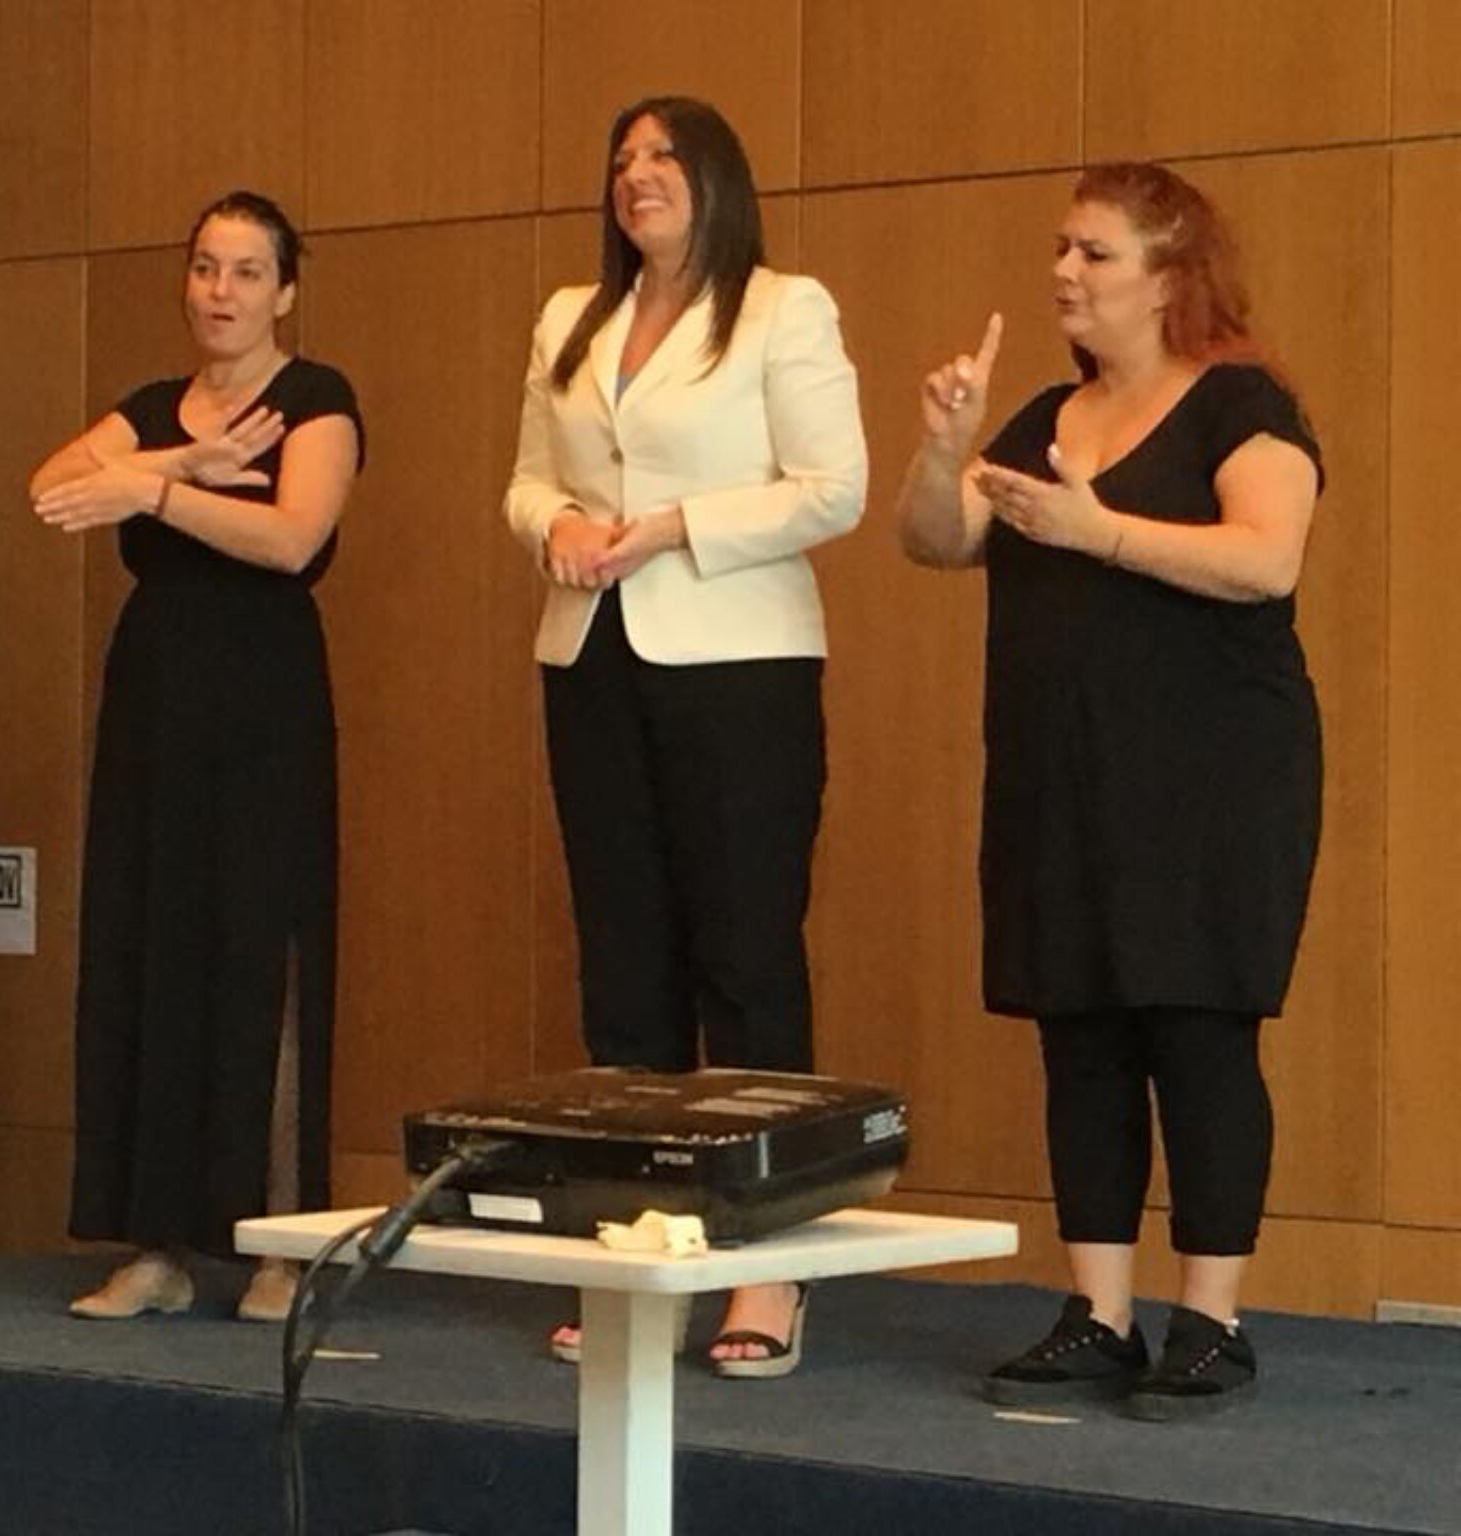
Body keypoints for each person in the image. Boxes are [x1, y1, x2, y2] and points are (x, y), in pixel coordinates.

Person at [895, 162, 1323, 1420]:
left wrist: (1100, 533)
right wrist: (942, 447)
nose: (1062, 273)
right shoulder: (1040, 418)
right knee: (1077, 1034)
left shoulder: (1241, 404)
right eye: (1059, 249)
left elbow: (1266, 559)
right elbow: (934, 539)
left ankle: (1211, 1320)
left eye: (1091, 253)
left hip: (1210, 781)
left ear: (1167, 274)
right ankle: (1099, 1314)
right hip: (1060, 775)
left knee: (1195, 1031)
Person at [504, 96, 867, 1378]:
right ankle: (638, 1251)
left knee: (745, 958)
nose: (635, 175)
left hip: (739, 666)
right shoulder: (570, 317)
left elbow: (833, 487)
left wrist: (670, 527)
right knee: (623, 963)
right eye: (620, 159)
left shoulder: (781, 308)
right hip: (590, 657)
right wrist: (552, 524)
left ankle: (766, 1264)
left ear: (716, 177)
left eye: (660, 156)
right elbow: (527, 478)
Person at [29, 191, 363, 1324]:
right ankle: (157, 1247)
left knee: (262, 948)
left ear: (285, 292)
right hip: (155, 695)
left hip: (264, 697)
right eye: (205, 268)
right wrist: (172, 460)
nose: (220, 291)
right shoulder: (148, 409)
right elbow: (51, 487)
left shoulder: (315, 399)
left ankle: (278, 1250)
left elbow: (290, 538)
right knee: (149, 943)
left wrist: (153, 491)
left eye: (247, 272)